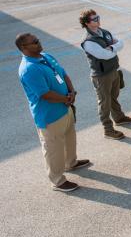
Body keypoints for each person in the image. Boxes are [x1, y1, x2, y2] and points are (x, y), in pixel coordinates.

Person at [16, 33, 90, 192]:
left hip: (65, 107)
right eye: (34, 42)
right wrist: (65, 98)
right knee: (53, 149)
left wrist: (71, 91)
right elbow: (45, 94)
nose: (38, 43)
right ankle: (57, 180)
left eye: (37, 40)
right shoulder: (29, 69)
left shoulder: (46, 56)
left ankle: (71, 162)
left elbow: (63, 73)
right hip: (50, 116)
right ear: (24, 48)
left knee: (70, 138)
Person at [79, 10, 131, 140]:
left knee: (114, 96)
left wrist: (112, 48)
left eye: (98, 17)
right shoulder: (88, 41)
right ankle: (108, 129)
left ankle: (119, 118)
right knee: (104, 103)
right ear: (87, 23)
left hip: (113, 70)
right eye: (94, 19)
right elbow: (104, 55)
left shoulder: (104, 32)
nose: (98, 20)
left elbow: (121, 43)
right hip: (101, 76)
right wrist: (114, 48)